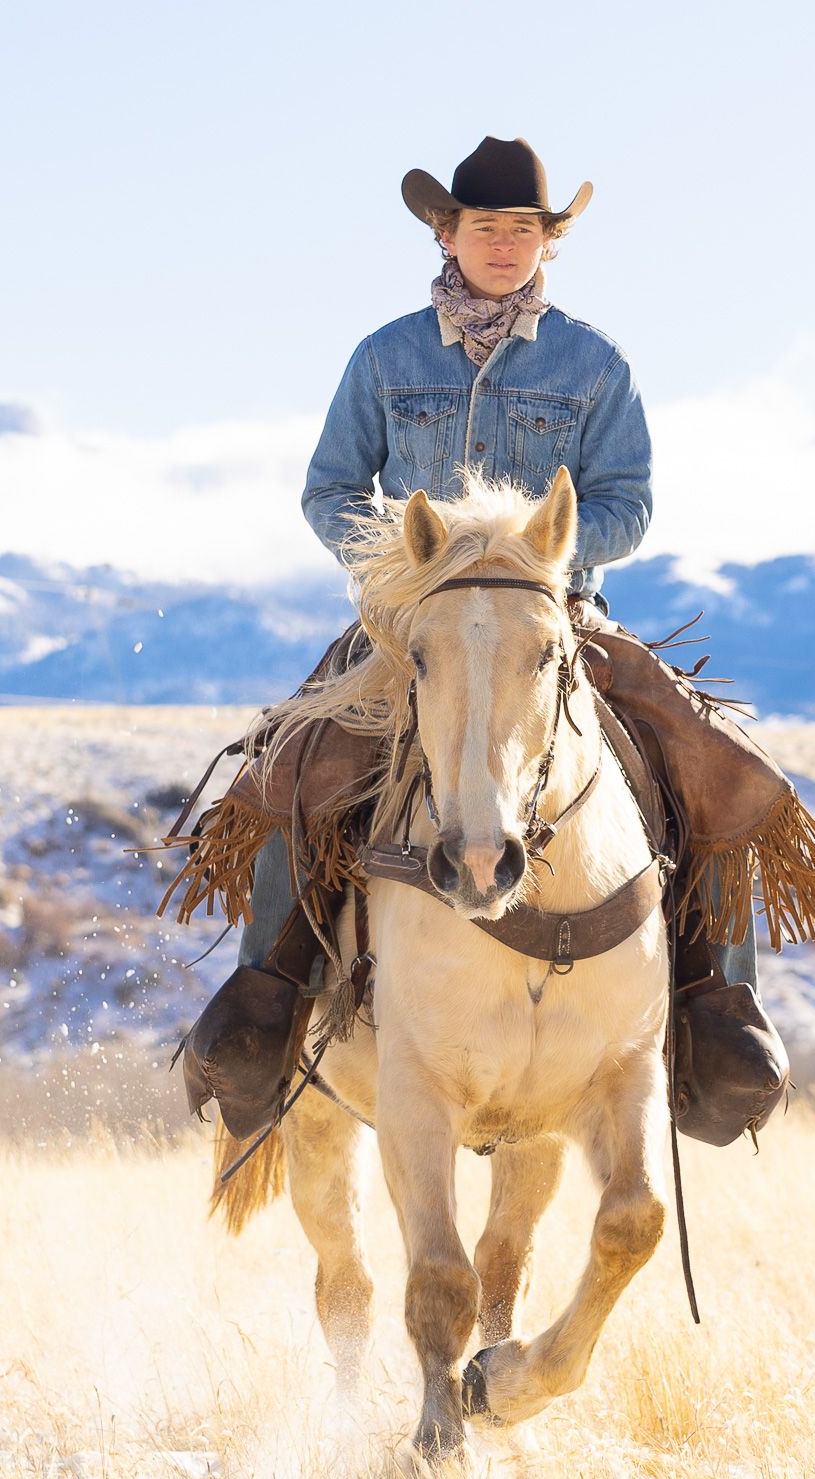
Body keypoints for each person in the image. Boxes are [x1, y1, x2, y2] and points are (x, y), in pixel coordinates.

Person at [239, 135, 757, 990]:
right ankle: (265, 1004)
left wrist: (524, 560)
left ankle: (718, 1009)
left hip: (558, 618)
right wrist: (403, 573)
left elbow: (627, 507)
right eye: (486, 225)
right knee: (289, 780)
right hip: (412, 628)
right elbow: (330, 491)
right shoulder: (384, 357)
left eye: (524, 227)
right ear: (447, 234)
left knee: (717, 771)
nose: (505, 243)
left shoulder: (596, 364)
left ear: (551, 241)